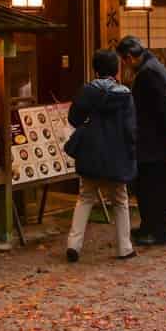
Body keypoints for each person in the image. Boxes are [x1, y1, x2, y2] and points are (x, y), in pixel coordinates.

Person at [64, 50, 138, 263]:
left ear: (95, 70)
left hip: (90, 152)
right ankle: (124, 247)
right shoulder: (125, 95)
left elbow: (74, 118)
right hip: (117, 155)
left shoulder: (87, 91)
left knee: (85, 197)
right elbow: (130, 129)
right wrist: (132, 153)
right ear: (116, 70)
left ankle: (74, 245)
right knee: (120, 200)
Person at [115, 36, 166, 248]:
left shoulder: (148, 73)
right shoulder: (153, 66)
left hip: (153, 141)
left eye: (124, 60)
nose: (124, 65)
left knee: (152, 188)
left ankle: (157, 232)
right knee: (150, 187)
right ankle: (148, 227)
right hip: (154, 139)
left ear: (129, 57)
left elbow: (164, 105)